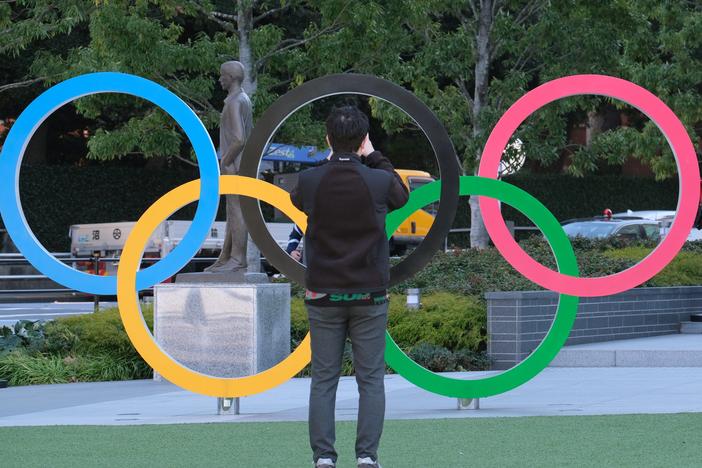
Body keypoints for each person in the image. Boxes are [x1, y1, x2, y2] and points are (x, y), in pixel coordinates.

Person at [290, 106, 409, 468]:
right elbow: (401, 195)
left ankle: (324, 458)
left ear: (327, 139)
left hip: (323, 293)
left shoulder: (310, 181)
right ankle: (367, 457)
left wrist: (333, 158)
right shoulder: (376, 180)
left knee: (323, 379)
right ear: (363, 140)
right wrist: (373, 156)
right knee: (370, 379)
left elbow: (297, 201)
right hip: (369, 293)